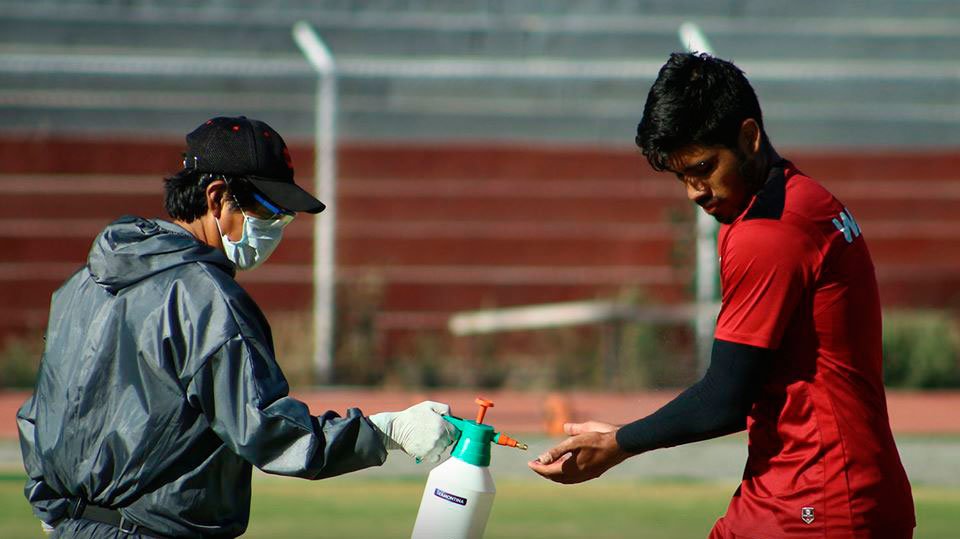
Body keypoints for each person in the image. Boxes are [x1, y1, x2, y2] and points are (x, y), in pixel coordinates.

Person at [528, 53, 915, 538]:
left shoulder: (767, 232)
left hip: (815, 504)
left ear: (749, 137)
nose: (694, 192)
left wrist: (620, 444)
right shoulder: (807, 198)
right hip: (820, 491)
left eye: (704, 167)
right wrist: (627, 434)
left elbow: (725, 398)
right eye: (681, 176)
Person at [17, 116, 457, 538]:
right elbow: (265, 429)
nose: (277, 228)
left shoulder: (82, 285)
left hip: (72, 526)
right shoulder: (205, 297)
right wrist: (384, 431)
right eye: (268, 211)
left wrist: (56, 511)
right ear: (215, 198)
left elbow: (42, 414)